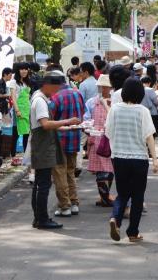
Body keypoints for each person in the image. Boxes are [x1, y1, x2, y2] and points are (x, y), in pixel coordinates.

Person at [106, 78, 158, 242]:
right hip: (139, 159)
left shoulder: (114, 109)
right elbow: (149, 136)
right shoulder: (142, 111)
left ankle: (116, 218)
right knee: (137, 196)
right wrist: (155, 160)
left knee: (122, 193)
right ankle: (133, 232)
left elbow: (108, 132)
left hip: (119, 157)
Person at [30, 71, 80, 230]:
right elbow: (45, 124)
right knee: (43, 184)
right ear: (48, 85)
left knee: (40, 182)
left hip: (43, 143)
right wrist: (67, 121)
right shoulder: (40, 101)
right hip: (43, 145)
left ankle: (39, 217)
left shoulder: (41, 98)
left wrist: (65, 126)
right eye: (56, 88)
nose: (57, 92)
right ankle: (42, 218)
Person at [49, 72, 86, 217]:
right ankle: (74, 202)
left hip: (59, 138)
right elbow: (82, 114)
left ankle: (65, 206)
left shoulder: (55, 97)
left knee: (59, 173)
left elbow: (49, 120)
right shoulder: (77, 93)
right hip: (75, 137)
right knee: (70, 171)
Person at [84, 74, 115, 206]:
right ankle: (105, 197)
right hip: (96, 137)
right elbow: (86, 118)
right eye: (102, 86)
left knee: (110, 169)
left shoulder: (115, 101)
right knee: (100, 170)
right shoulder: (92, 102)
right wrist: (88, 128)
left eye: (106, 86)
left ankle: (105, 196)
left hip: (111, 138)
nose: (104, 89)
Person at [10, 62, 31, 159]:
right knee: (16, 133)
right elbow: (13, 97)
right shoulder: (13, 82)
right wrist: (17, 110)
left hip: (27, 110)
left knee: (26, 133)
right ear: (18, 70)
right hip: (17, 110)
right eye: (22, 69)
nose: (24, 71)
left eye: (26, 69)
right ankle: (13, 155)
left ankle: (26, 156)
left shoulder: (27, 82)